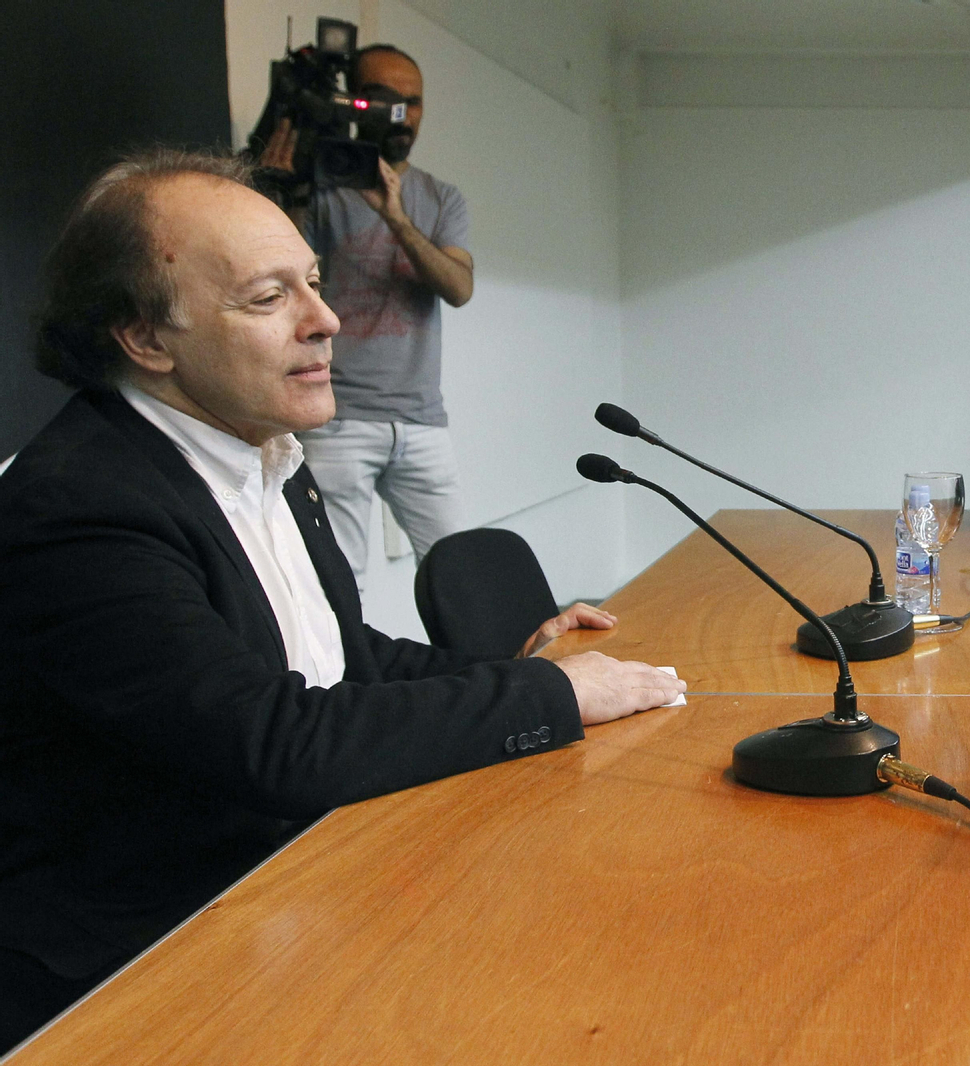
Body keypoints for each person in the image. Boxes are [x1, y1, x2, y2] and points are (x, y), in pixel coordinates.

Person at [0, 150, 685, 1052]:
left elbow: (336, 652)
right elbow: (274, 743)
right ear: (147, 338)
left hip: (290, 890)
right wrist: (548, 698)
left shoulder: (263, 456)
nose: (326, 321)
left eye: (314, 284)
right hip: (142, 971)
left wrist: (514, 664)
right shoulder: (81, 505)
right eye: (267, 296)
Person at [261, 43, 473, 587]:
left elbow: (458, 287)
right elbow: (277, 277)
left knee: (464, 574)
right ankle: (344, 677)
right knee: (337, 583)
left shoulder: (439, 197)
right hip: (339, 416)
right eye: (384, 100)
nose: (402, 114)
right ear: (353, 101)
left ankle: (500, 673)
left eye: (414, 101)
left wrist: (396, 216)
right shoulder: (320, 190)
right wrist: (281, 189)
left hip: (423, 420)